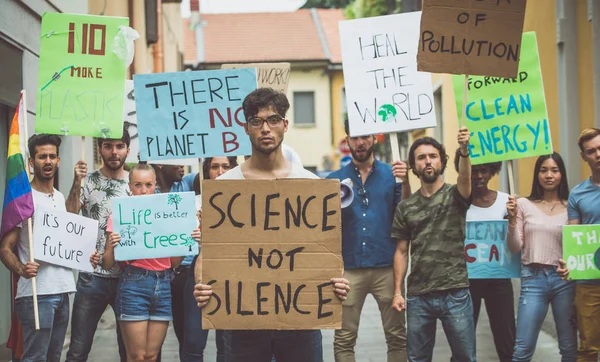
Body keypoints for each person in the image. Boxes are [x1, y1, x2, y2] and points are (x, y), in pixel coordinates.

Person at [193, 88, 350, 362]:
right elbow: (209, 252)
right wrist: (201, 284)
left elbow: (324, 253)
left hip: (301, 318)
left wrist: (337, 281)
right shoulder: (224, 189)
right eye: (257, 121)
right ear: (246, 127)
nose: (266, 128)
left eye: (273, 120)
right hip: (243, 320)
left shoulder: (311, 186)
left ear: (285, 125)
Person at [0, 134, 96, 362]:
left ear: (59, 160)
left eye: (52, 156)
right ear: (32, 162)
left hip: (63, 291)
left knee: (54, 357)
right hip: (37, 293)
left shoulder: (59, 197)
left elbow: (70, 225)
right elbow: (5, 247)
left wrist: (86, 255)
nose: (48, 161)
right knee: (35, 358)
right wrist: (22, 269)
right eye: (42, 156)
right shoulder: (24, 198)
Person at [100, 162, 201, 362]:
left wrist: (186, 240)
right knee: (137, 356)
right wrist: (111, 245)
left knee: (152, 356)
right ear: (130, 186)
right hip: (134, 284)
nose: (143, 190)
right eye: (138, 185)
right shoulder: (120, 215)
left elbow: (174, 262)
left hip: (163, 285)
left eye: (148, 185)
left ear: (155, 185)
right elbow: (106, 264)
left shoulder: (168, 215)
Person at [326, 120, 409, 362]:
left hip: (387, 267)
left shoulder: (392, 175)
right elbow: (325, 225)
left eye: (365, 136)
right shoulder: (333, 179)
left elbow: (405, 211)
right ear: (348, 140)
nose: (360, 142)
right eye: (354, 137)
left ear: (375, 138)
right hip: (348, 270)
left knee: (397, 337)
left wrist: (405, 182)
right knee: (343, 339)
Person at [391, 129, 475, 362]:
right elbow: (400, 251)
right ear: (413, 166)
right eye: (421, 157)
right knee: (417, 358)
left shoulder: (456, 195)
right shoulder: (406, 207)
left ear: (442, 161)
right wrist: (398, 292)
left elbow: (466, 178)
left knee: (465, 357)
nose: (428, 161)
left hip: (455, 292)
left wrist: (465, 151)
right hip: (419, 296)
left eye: (433, 156)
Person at [65, 127, 131, 362]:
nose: (114, 152)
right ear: (100, 149)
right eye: (108, 146)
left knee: (129, 349)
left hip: (128, 278)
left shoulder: (138, 184)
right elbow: (70, 214)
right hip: (91, 275)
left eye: (119, 146)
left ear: (127, 150)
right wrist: (76, 181)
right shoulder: (88, 181)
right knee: (78, 348)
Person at [505, 152, 576, 361]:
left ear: (562, 174)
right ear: (537, 174)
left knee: (570, 348)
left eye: (555, 170)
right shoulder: (523, 204)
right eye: (543, 170)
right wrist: (511, 220)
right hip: (533, 279)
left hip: (565, 280)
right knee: (522, 350)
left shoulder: (572, 205)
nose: (549, 175)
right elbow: (515, 247)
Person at [453, 151, 515, 361]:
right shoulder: (458, 203)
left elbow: (514, 238)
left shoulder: (507, 201)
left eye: (484, 170)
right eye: (473, 170)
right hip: (466, 280)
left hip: (499, 279)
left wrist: (514, 218)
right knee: (463, 337)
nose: (478, 176)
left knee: (506, 335)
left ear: (493, 172)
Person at [181, 156, 237, 362]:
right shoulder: (192, 204)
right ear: (206, 171)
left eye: (225, 166)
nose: (220, 171)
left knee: (226, 342)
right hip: (198, 273)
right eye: (214, 167)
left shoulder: (241, 202)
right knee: (194, 341)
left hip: (230, 274)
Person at [558, 128, 600, 361]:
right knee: (588, 347)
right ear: (584, 157)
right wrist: (568, 262)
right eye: (591, 151)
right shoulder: (578, 194)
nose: (598, 154)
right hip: (589, 283)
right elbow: (573, 236)